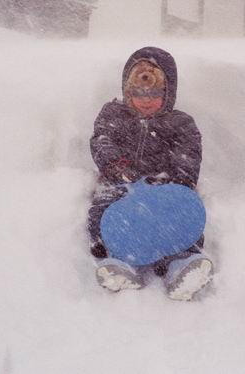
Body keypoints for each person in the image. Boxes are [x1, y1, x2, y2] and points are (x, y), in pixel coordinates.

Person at [88, 46, 213, 301]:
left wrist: (175, 179)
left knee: (181, 213)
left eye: (154, 93)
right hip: (121, 184)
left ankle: (181, 263)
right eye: (139, 93)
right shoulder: (113, 114)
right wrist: (117, 167)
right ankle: (120, 261)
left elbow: (189, 154)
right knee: (105, 208)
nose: (146, 100)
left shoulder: (181, 123)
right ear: (127, 91)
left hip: (163, 186)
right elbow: (102, 140)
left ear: (168, 93)